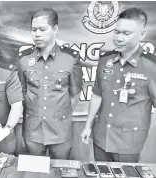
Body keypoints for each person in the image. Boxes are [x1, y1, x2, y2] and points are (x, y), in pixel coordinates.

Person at [81, 8, 156, 162]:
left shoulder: (151, 67)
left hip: (129, 143)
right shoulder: (105, 60)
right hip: (101, 139)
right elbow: (97, 94)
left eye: (126, 33)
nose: (119, 38)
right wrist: (88, 125)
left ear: (142, 34)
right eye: (117, 32)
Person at [17, 8, 82, 159]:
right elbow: (22, 92)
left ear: (55, 29)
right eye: (34, 30)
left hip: (61, 132)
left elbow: (75, 94)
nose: (37, 34)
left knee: (60, 171)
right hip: (33, 132)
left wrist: (59, 116)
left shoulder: (70, 58)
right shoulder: (23, 59)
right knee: (35, 172)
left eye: (42, 29)